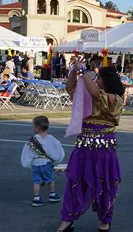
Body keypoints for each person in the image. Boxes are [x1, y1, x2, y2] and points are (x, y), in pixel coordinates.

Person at [58, 62, 125, 232]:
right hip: (84, 147)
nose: (96, 80)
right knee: (75, 183)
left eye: (99, 77)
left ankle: (105, 221)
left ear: (106, 80)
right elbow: (70, 88)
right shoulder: (88, 95)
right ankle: (67, 220)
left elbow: (96, 94)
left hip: (104, 150)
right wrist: (74, 69)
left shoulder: (115, 98)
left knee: (104, 184)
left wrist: (83, 71)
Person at [20, 116, 65, 207]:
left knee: (37, 181)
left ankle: (36, 198)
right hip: (46, 163)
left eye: (33, 126)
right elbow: (57, 148)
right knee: (50, 179)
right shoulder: (51, 138)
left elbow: (27, 152)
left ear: (37, 127)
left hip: (36, 164)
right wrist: (56, 158)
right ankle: (52, 194)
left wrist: (27, 162)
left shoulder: (32, 140)